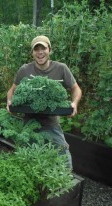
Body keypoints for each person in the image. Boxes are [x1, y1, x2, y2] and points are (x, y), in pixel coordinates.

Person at [6, 35, 82, 169]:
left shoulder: (61, 68)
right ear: (32, 53)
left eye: (43, 48)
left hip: (51, 124)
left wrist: (74, 104)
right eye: (36, 49)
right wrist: (9, 102)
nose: (40, 52)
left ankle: (65, 184)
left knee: (63, 158)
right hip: (29, 124)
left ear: (50, 50)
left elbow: (76, 89)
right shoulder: (25, 70)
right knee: (26, 158)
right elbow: (12, 90)